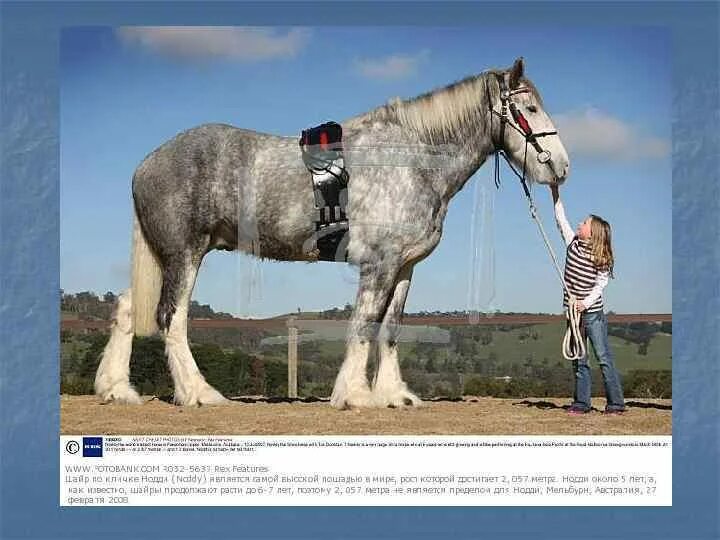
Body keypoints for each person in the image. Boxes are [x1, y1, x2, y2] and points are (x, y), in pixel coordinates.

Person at [550, 185, 626, 415]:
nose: (579, 224)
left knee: (603, 357)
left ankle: (616, 403)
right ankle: (582, 403)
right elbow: (560, 218)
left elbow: (600, 284)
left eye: (584, 223)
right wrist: (555, 192)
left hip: (592, 313)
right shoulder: (571, 242)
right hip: (573, 313)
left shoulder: (600, 257)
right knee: (579, 358)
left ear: (592, 233)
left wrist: (585, 303)